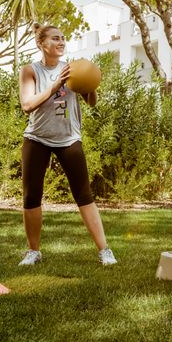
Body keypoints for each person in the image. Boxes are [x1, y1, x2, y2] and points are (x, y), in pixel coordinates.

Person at [18, 24, 116, 266]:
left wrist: (92, 83)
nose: (61, 42)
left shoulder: (73, 69)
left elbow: (91, 102)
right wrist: (54, 86)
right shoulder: (30, 70)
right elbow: (27, 105)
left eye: (63, 38)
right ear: (41, 43)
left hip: (69, 138)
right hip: (37, 138)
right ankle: (33, 251)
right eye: (55, 38)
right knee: (31, 196)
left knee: (84, 194)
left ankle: (104, 250)